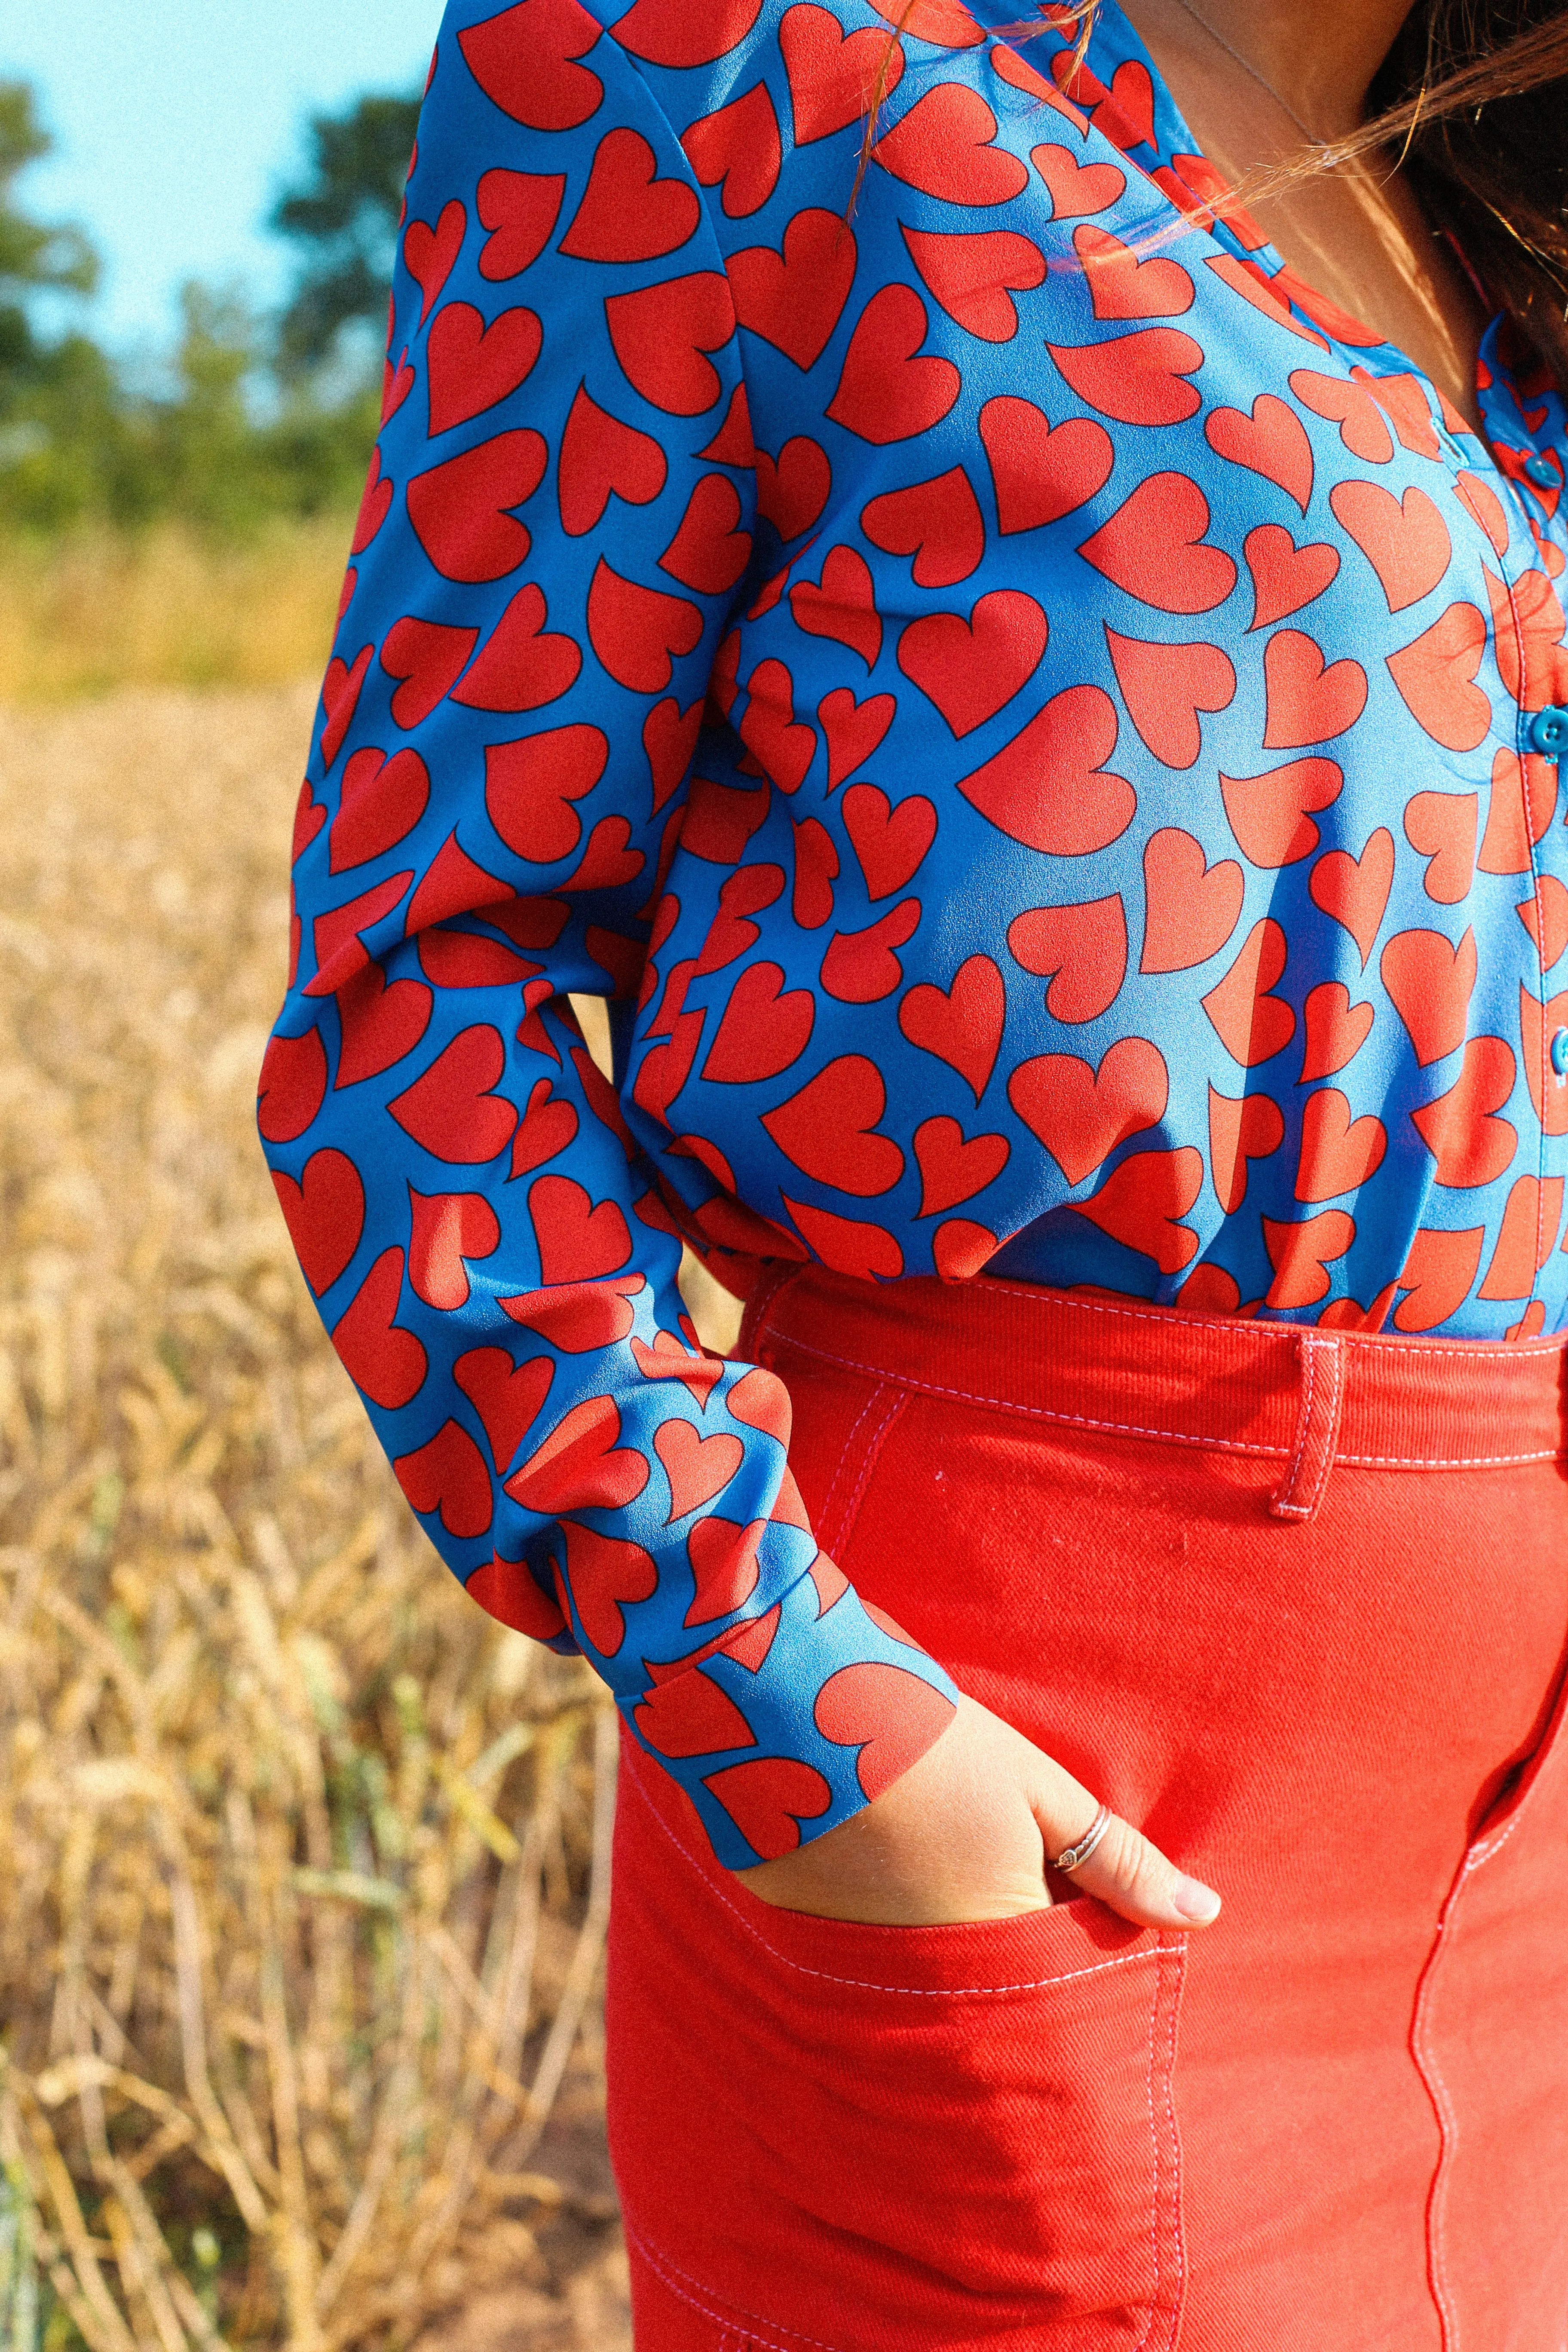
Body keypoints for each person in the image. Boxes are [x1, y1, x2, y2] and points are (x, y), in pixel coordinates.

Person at [259, 0, 1568, 2335]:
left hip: (1527, 1868)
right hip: (1058, 1803)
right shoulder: (732, 53)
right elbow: (419, 980)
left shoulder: (1500, 194)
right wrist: (800, 1709)